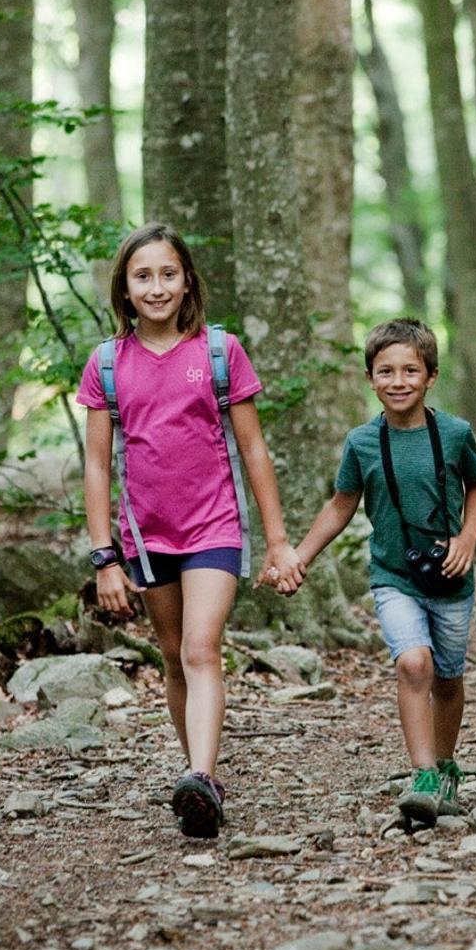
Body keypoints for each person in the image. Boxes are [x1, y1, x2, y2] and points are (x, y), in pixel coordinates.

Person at [78, 222, 303, 839]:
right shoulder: (107, 363)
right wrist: (105, 557)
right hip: (147, 538)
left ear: (187, 281)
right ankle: (193, 778)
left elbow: (254, 450)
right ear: (124, 289)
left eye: (168, 274)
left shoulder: (217, 353)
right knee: (174, 656)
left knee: (202, 648)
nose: (157, 287)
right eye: (142, 276)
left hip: (214, 527)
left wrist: (279, 541)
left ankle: (203, 777)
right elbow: (98, 464)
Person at [277, 318, 476, 827]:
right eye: (385, 371)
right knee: (414, 663)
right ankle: (422, 776)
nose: (398, 381)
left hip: (451, 577)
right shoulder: (362, 442)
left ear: (430, 376)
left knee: (449, 677)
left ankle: (445, 763)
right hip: (393, 575)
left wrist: (467, 539)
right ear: (370, 378)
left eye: (410, 370)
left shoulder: (456, 433)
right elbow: (340, 504)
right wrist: (299, 557)